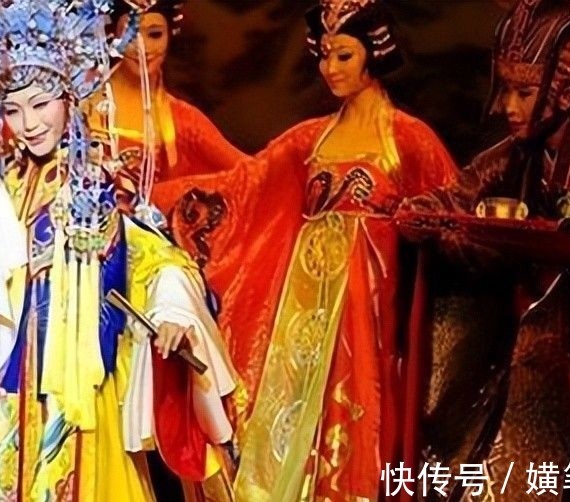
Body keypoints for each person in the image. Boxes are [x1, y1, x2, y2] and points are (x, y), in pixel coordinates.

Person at [0, 0, 237, 499]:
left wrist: (171, 314)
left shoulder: (102, 183)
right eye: (13, 110)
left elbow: (156, 258)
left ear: (70, 98)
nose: (28, 123)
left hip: (74, 386)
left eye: (41, 104)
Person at [151, 0, 458, 498]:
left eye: (344, 55)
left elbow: (451, 216)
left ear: (373, 54)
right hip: (305, 305)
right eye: (325, 55)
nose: (330, 68)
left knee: (362, 401)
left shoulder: (408, 139)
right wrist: (154, 199)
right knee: (296, 406)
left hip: (370, 307)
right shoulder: (310, 140)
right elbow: (244, 186)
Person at [401, 0, 570, 496]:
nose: (507, 107)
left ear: (565, 90)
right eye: (506, 91)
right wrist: (420, 214)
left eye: (524, 93)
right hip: (521, 340)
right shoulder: (517, 155)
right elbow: (456, 194)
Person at [91, 0, 246, 223]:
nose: (143, 47)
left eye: (155, 34)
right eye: (130, 34)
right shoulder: (81, 107)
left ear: (169, 36)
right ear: (113, 36)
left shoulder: (183, 121)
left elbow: (250, 173)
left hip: (153, 237)